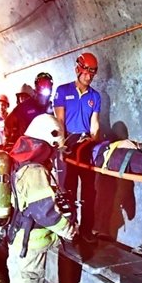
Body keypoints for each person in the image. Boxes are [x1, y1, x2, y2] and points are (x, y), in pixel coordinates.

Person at [2, 114, 78, 283]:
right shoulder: (34, 171)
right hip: (29, 246)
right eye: (53, 148)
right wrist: (67, 229)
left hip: (22, 242)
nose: (53, 154)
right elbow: (44, 211)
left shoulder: (21, 164)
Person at [54, 53, 102, 243]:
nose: (89, 77)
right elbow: (59, 120)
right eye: (86, 73)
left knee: (89, 191)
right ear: (78, 70)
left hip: (86, 146)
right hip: (69, 145)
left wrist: (94, 141)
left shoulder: (95, 96)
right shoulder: (63, 91)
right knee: (68, 190)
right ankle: (68, 229)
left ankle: (86, 230)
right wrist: (61, 145)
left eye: (92, 74)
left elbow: (95, 124)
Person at [4, 73, 54, 149]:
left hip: (46, 144)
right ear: (36, 86)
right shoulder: (25, 106)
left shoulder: (51, 106)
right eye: (42, 84)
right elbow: (9, 121)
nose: (45, 87)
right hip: (27, 146)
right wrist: (10, 139)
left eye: (47, 84)